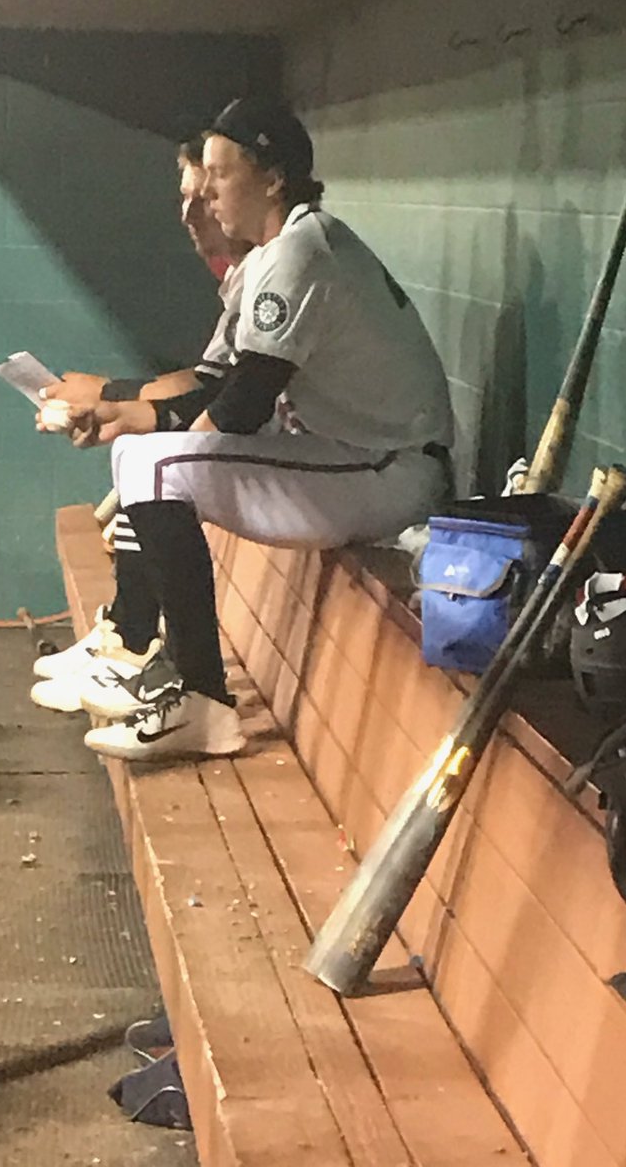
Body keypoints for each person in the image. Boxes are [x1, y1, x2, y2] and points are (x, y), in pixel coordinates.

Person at [77, 97, 455, 762]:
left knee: (154, 467)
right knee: (146, 458)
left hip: (387, 470)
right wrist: (125, 418)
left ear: (273, 177)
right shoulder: (279, 250)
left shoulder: (301, 251)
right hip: (351, 458)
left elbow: (243, 406)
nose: (209, 195)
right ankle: (165, 668)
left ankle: (195, 694)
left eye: (222, 175)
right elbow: (222, 386)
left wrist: (165, 446)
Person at [30, 137, 251, 712]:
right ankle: (130, 638)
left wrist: (111, 398)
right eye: (186, 198)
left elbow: (226, 393)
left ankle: (144, 651)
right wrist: (111, 399)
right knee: (147, 448)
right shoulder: (242, 275)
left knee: (153, 452)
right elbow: (207, 378)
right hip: (301, 459)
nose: (190, 213)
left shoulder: (273, 269)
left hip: (344, 470)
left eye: (204, 195)